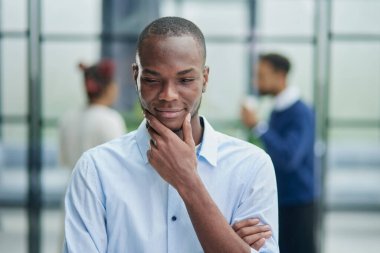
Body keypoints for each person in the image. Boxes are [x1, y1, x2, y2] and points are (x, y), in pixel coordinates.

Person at [64, 17, 278, 253]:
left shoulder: (252, 166)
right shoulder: (95, 169)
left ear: (204, 79)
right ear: (136, 76)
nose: (168, 95)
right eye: (153, 80)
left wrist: (188, 182)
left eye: (185, 80)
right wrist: (228, 240)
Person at [241, 53, 317, 253]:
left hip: (297, 203)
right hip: (282, 199)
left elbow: (288, 158)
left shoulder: (301, 113)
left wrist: (258, 126)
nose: (256, 82)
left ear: (280, 75)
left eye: (262, 76)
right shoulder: (278, 110)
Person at [59, 59, 127, 169]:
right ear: (109, 88)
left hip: (72, 184)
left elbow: (64, 161)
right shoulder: (111, 120)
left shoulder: (67, 118)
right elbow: (118, 164)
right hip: (103, 185)